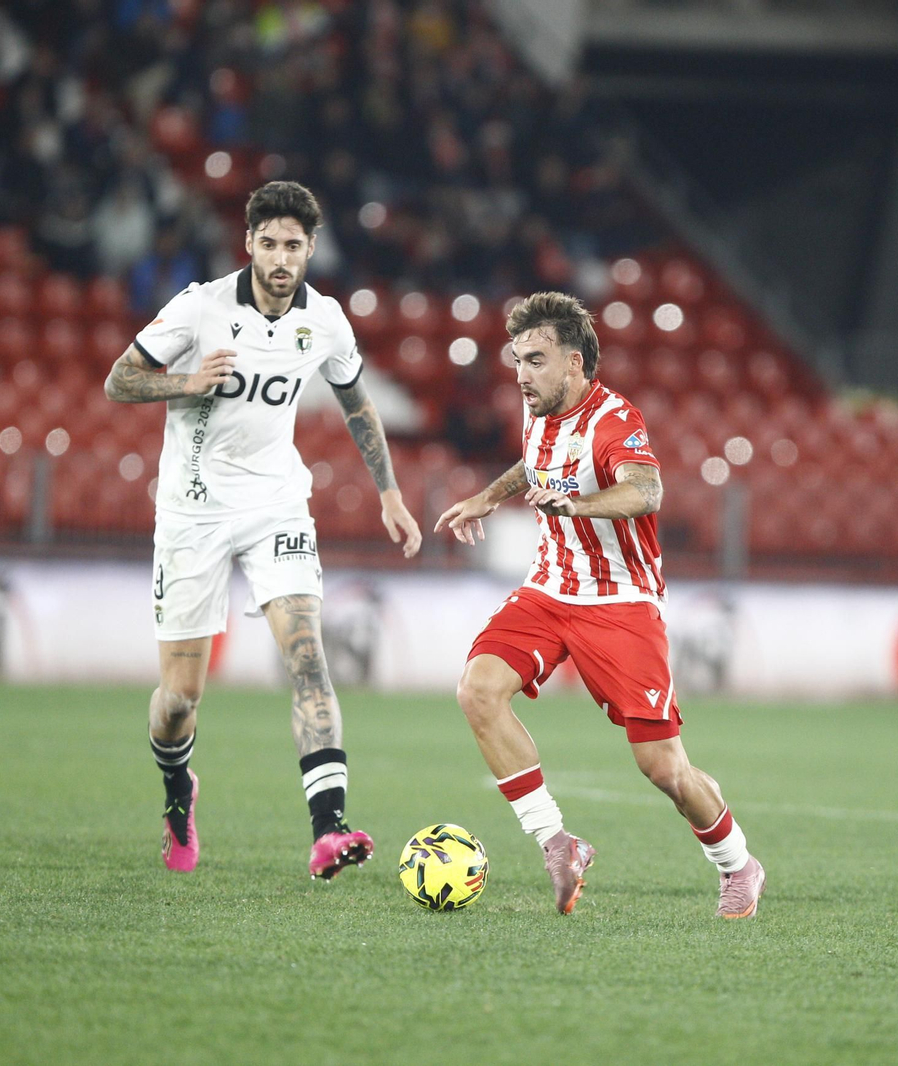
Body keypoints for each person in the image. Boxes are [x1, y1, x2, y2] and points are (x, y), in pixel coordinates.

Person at [104, 180, 423, 878]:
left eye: (293, 246)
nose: (281, 258)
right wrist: (186, 383)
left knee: (307, 655)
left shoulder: (326, 321)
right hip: (193, 509)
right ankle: (178, 791)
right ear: (248, 243)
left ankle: (329, 829)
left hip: (277, 503)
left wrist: (390, 494)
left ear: (311, 249)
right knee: (180, 700)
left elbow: (357, 405)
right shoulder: (200, 308)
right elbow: (119, 381)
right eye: (270, 243)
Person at [433, 292, 766, 918]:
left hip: (619, 601)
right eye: (517, 360)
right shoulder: (538, 406)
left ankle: (737, 863)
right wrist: (488, 496)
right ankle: (557, 843)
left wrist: (579, 505)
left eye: (536, 361)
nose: (521, 374)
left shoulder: (613, 420)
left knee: (663, 768)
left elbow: (647, 490)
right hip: (547, 589)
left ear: (575, 363)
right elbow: (535, 462)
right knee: (478, 690)